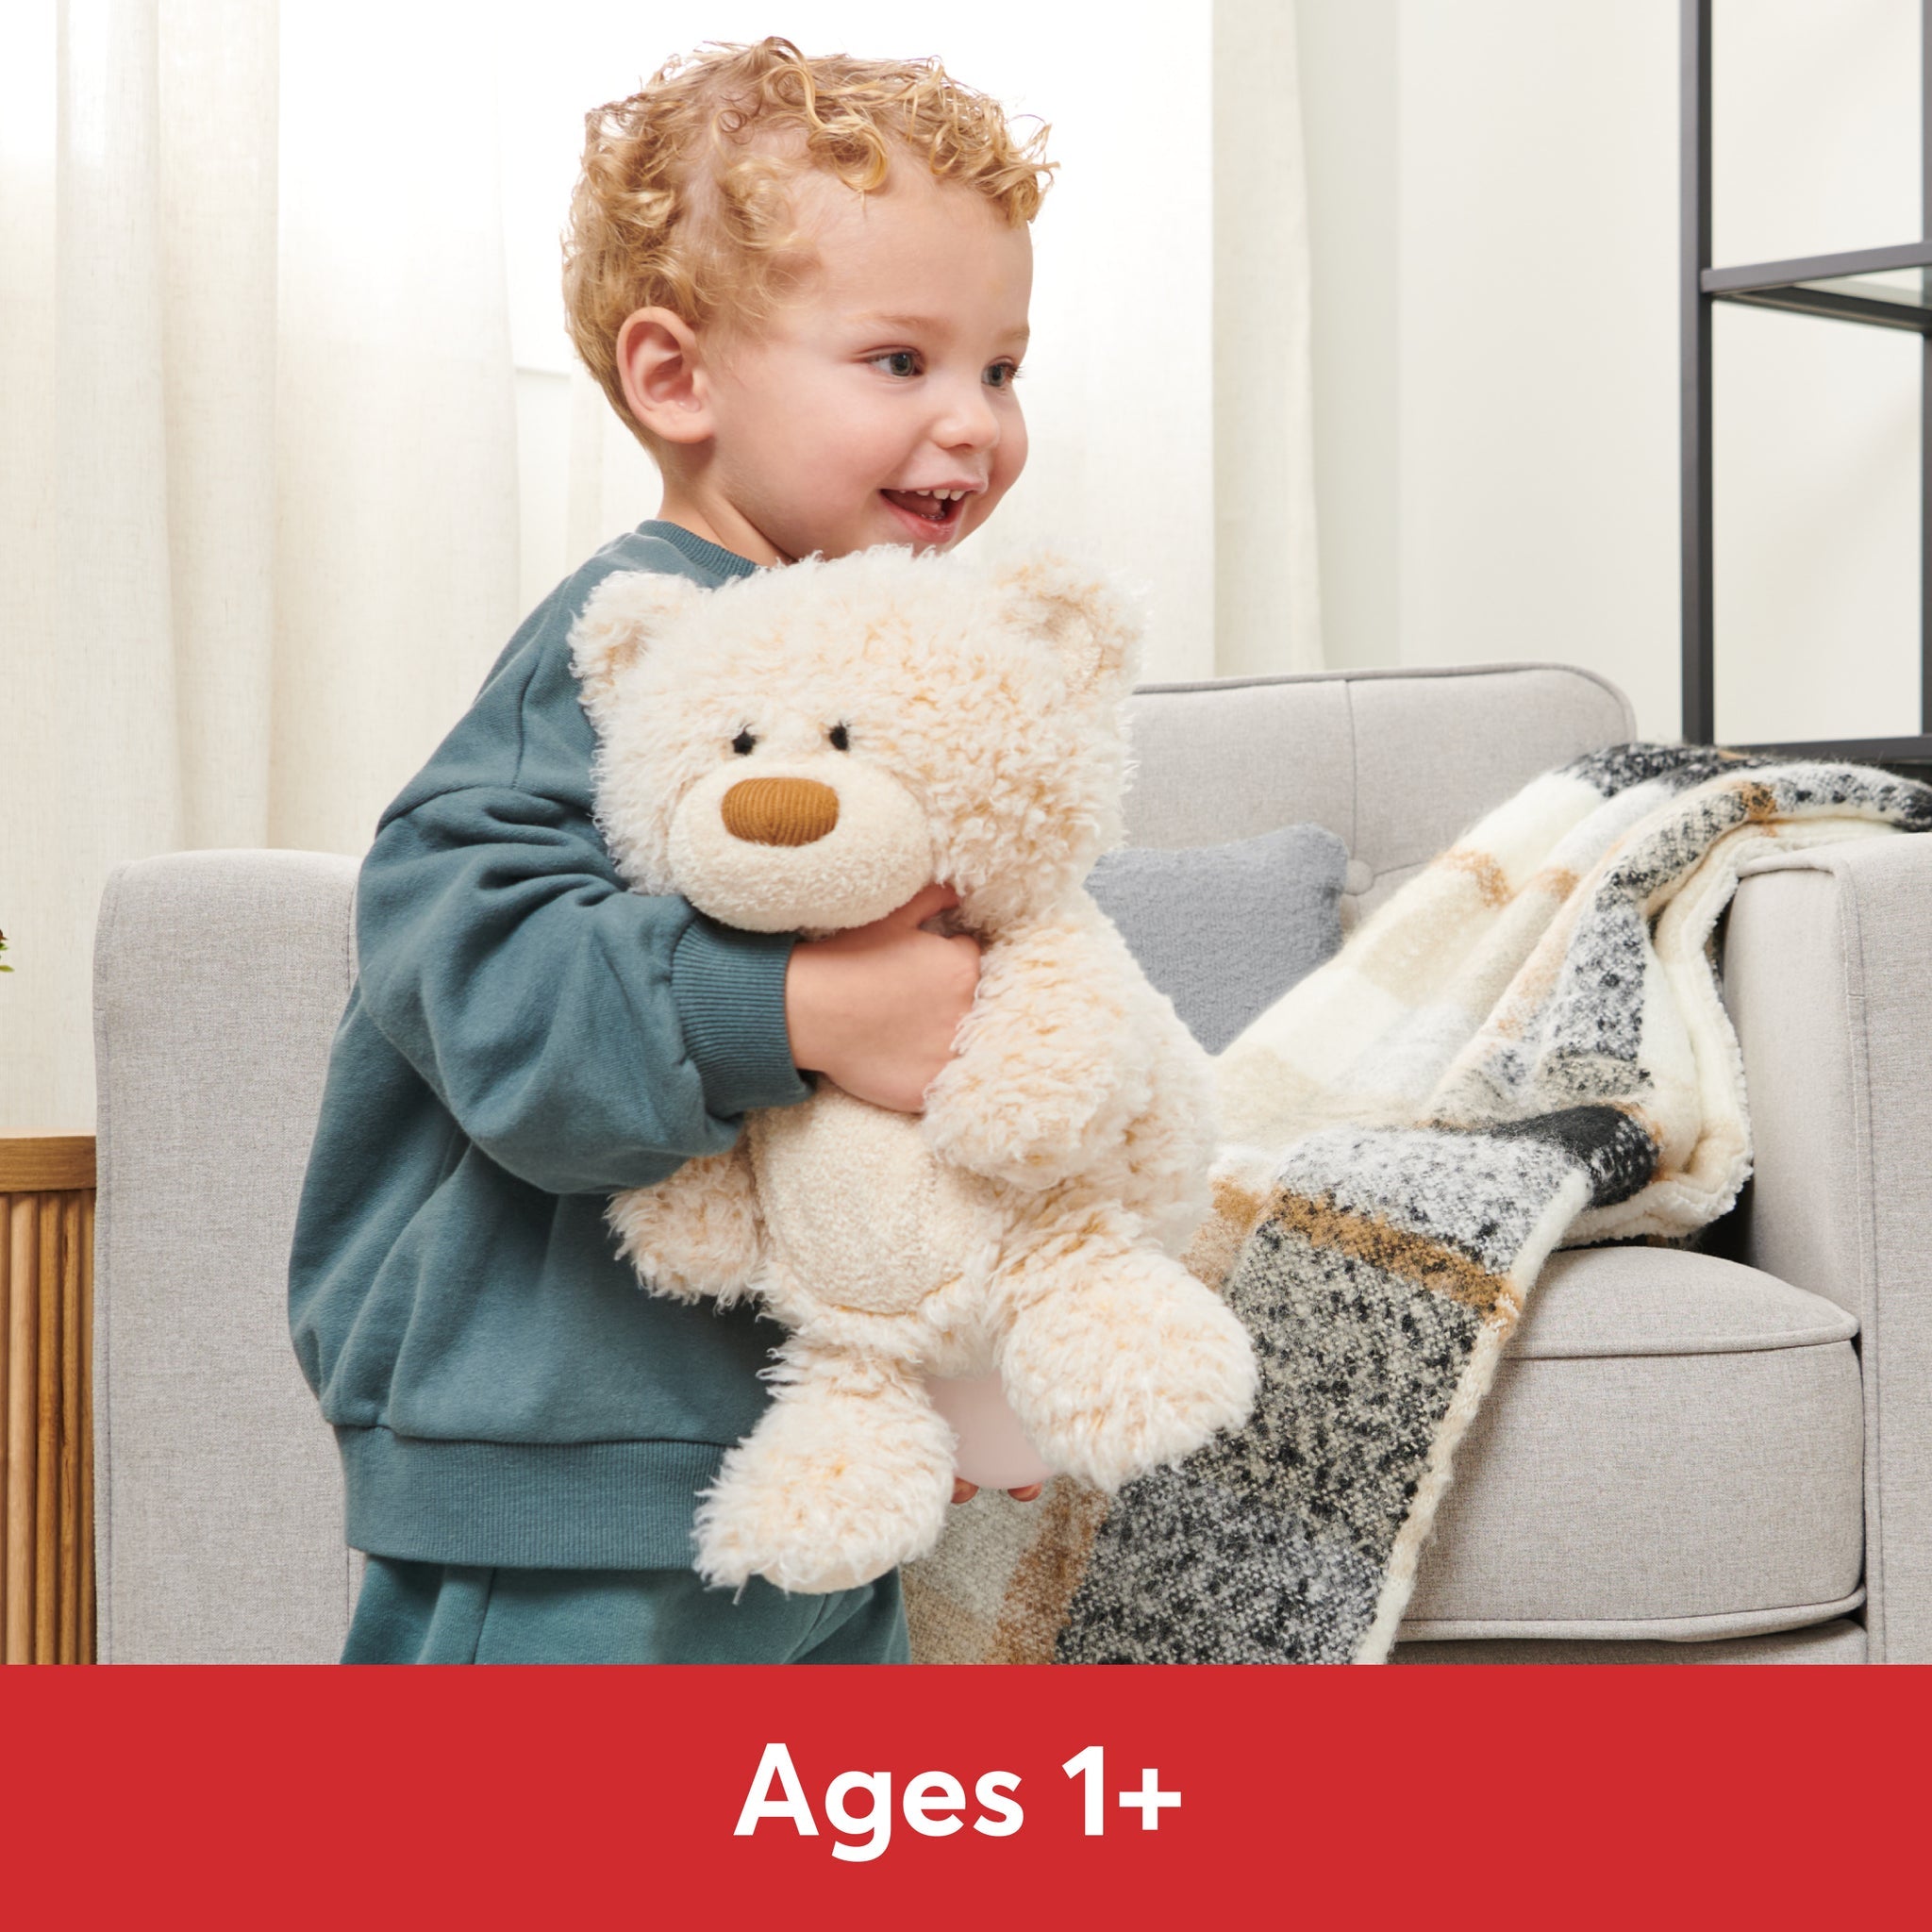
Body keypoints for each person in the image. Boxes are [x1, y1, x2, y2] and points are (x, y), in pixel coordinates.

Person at [287, 38, 1056, 1664]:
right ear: (677, 379)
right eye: (901, 361)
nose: (973, 426)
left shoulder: (881, 697)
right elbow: (478, 969)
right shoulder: (618, 656)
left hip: (814, 1461)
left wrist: (963, 1362)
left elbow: (926, 1108)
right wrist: (794, 1014)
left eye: (1001, 368)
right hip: (569, 1470)